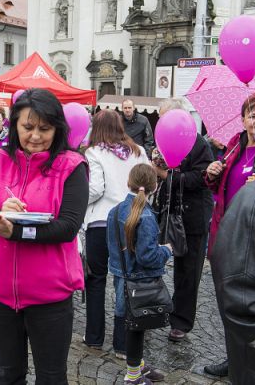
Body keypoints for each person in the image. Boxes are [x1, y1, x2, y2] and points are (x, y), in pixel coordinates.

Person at [0, 88, 89, 384]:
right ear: (15, 125)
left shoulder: (71, 166)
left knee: (52, 376)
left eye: (44, 129)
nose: (35, 136)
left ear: (57, 128)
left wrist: (16, 231)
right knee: (8, 373)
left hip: (50, 294)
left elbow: (68, 226)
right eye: (28, 127)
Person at [202, 93, 255, 378]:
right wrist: (212, 173)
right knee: (227, 303)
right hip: (226, 237)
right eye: (252, 115)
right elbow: (217, 189)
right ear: (242, 119)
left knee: (253, 306)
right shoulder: (234, 147)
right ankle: (234, 357)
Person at [83, 109, 149, 358]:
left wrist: (80, 199)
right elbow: (148, 184)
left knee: (96, 279)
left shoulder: (94, 152)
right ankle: (122, 343)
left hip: (101, 222)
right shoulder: (138, 151)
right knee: (126, 280)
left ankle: (94, 337)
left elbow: (95, 189)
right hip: (132, 221)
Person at [151, 98, 213, 343]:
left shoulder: (199, 144)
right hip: (168, 212)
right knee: (160, 264)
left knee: (188, 272)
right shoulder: (162, 141)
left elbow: (201, 179)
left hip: (193, 217)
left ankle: (181, 322)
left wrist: (166, 175)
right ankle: (153, 309)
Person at [107, 164, 171, 385]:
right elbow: (147, 257)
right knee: (137, 325)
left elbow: (112, 246)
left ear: (128, 183)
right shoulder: (146, 216)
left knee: (129, 320)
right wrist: (166, 250)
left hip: (121, 275)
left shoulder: (114, 211)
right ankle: (132, 376)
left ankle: (138, 364)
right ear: (154, 187)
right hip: (140, 280)